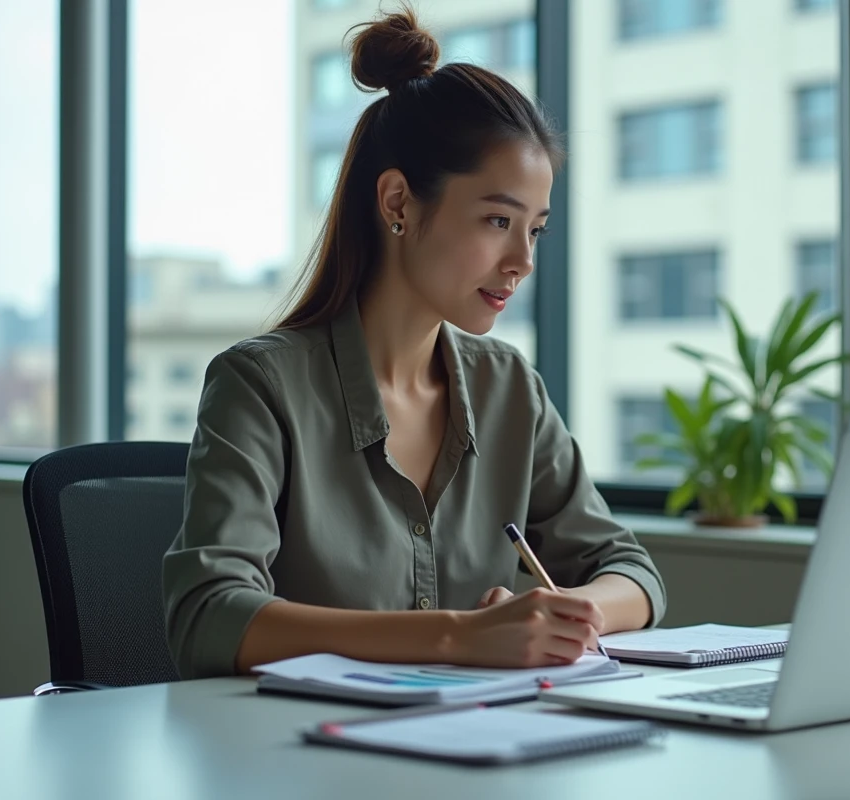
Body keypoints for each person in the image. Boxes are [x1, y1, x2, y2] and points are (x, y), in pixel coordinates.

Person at [161, 8, 666, 680]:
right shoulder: (260, 386)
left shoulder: (509, 388)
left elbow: (633, 574)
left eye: (535, 230)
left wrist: (564, 612)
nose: (522, 261)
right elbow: (208, 615)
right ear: (398, 202)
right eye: (497, 219)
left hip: (476, 760)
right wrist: (458, 636)